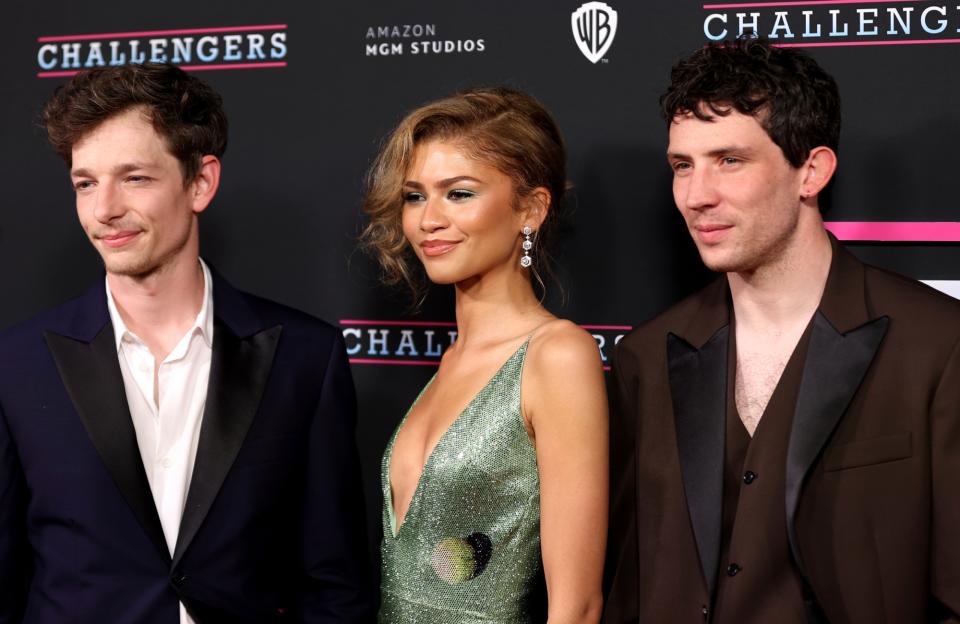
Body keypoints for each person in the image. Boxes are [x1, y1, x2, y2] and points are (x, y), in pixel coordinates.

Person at [0, 63, 374, 623]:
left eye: (135, 178)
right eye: (85, 183)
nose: (104, 210)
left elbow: (332, 582)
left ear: (200, 182)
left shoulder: (303, 357)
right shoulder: (19, 363)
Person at [605, 37, 960, 623]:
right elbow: (627, 588)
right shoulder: (646, 356)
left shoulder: (937, 345)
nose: (697, 196)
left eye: (730, 160)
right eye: (682, 166)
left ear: (811, 171)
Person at [361, 87, 608, 623]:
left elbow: (578, 607)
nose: (428, 220)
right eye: (415, 195)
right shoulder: (451, 361)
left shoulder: (556, 355)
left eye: (459, 194)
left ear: (531, 209)